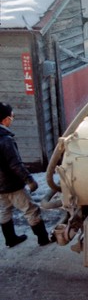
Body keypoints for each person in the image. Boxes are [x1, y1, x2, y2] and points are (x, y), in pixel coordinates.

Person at [0, 102, 51, 247]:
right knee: (30, 210)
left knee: (4, 211)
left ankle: (10, 239)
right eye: (11, 116)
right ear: (5, 119)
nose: (12, 118)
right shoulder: (6, 140)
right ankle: (43, 239)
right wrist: (29, 180)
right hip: (12, 185)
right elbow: (15, 165)